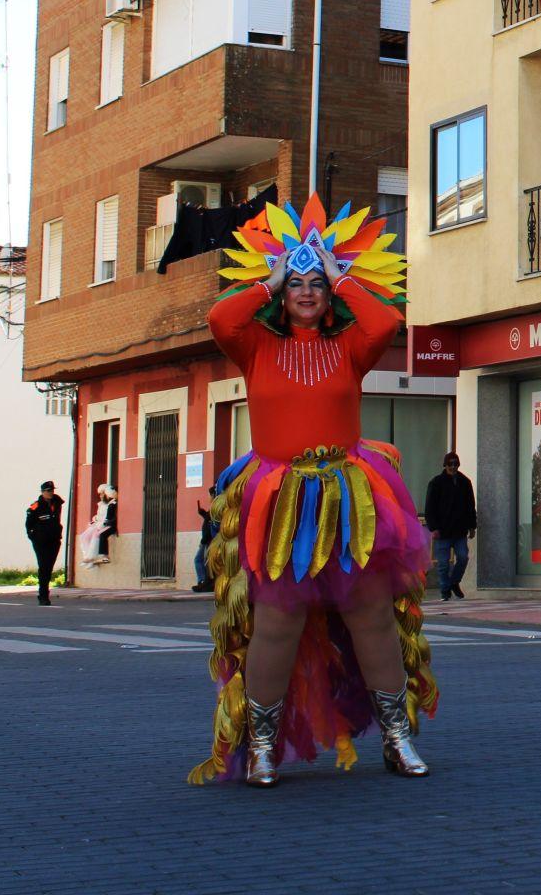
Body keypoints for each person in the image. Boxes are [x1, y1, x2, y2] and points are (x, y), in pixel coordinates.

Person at [188, 194, 433, 787]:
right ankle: (263, 745)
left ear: (328, 295)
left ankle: (398, 740)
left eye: (314, 284)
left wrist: (339, 274)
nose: (305, 290)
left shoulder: (350, 348)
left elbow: (386, 321)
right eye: (295, 283)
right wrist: (267, 281)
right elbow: (222, 319)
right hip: (281, 500)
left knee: (371, 616)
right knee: (277, 621)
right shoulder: (256, 347)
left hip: (351, 496)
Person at [423, 452, 476, 602]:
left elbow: (470, 506)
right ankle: (445, 591)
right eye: (450, 464)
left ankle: (454, 582)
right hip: (442, 531)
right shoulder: (436, 483)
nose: (453, 467)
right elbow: (429, 508)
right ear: (445, 465)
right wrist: (433, 528)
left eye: (455, 464)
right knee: (443, 564)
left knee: (463, 557)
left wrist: (472, 526)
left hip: (460, 530)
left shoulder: (465, 482)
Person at [26, 482, 64, 605]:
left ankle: (44, 592)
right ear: (42, 492)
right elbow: (28, 525)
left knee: (49, 567)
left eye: (52, 490)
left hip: (54, 540)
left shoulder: (57, 502)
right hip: (41, 541)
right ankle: (43, 595)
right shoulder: (35, 507)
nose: (50, 493)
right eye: (48, 490)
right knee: (44, 567)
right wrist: (34, 537)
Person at [192, 494, 217, 592]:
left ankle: (203, 581)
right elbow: (208, 519)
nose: (209, 498)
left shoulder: (216, 507)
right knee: (204, 561)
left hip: (207, 540)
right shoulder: (214, 508)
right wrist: (203, 513)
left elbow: (210, 523)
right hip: (207, 539)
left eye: (210, 495)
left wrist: (203, 541)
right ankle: (204, 582)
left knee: (199, 560)